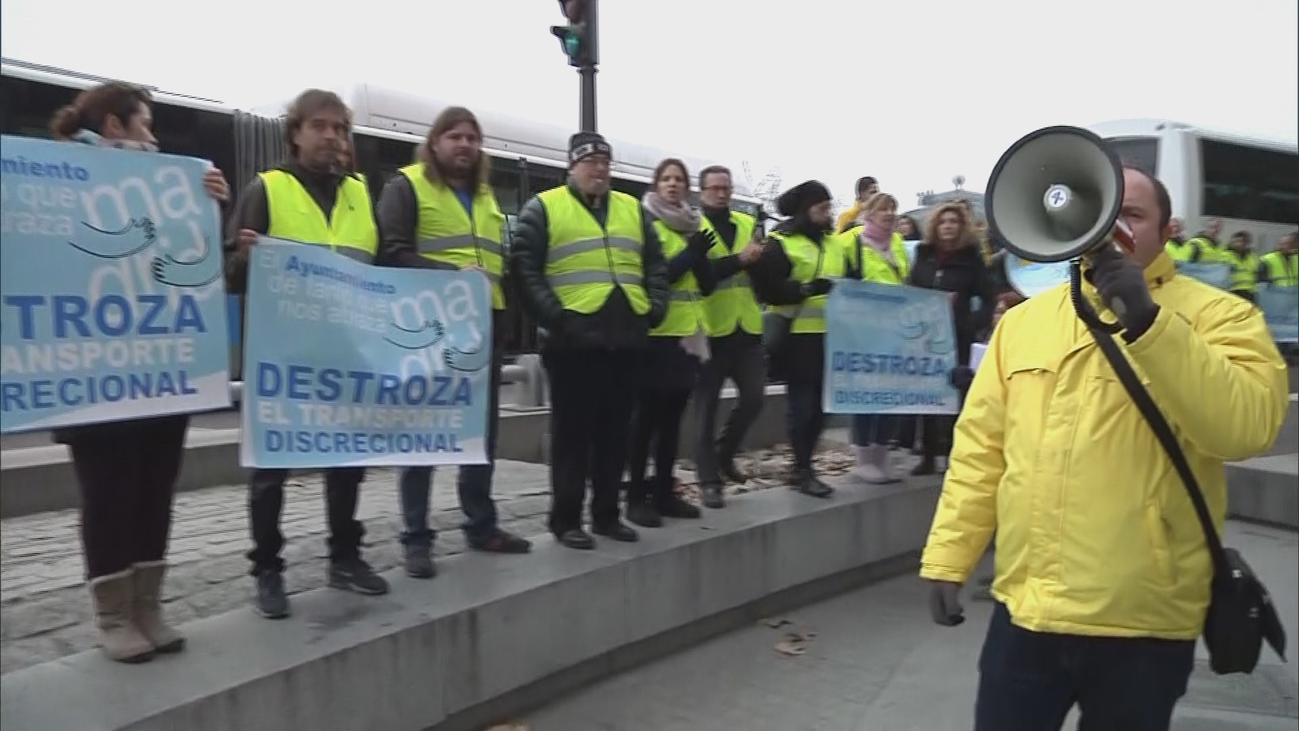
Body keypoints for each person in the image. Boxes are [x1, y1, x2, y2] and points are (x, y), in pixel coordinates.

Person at [920, 166, 1289, 729]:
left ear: (1168, 232)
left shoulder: (1225, 317)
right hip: (1027, 612)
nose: (1114, 227)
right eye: (1103, 212)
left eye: (1134, 215)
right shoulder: (1022, 324)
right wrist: (950, 557)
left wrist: (1150, 323)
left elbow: (1245, 428)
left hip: (1145, 622)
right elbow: (980, 453)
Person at [46, 82, 231, 663]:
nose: (153, 137)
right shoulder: (57, 176)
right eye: (145, 124)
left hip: (160, 367)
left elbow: (184, 262)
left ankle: (148, 605)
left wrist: (209, 207)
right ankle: (114, 616)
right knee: (108, 494)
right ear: (113, 127)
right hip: (96, 372)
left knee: (154, 488)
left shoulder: (165, 189)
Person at [224, 89, 389, 619]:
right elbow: (230, 276)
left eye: (341, 128)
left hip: (345, 356)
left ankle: (345, 556)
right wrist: (247, 259)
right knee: (271, 469)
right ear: (295, 133)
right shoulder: (266, 191)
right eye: (321, 126)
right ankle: (268, 570)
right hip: (283, 360)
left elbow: (377, 275)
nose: (333, 137)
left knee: (347, 464)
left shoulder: (362, 195)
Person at [374, 106, 532, 579]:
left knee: (480, 438)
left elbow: (498, 265)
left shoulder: (485, 197)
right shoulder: (407, 186)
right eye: (454, 136)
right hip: (428, 331)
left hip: (483, 331)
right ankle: (416, 539)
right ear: (435, 142)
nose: (464, 145)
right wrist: (450, 277)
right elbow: (390, 252)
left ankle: (481, 526)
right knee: (423, 435)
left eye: (472, 138)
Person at [509, 131, 671, 549]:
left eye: (605, 162)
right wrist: (557, 318)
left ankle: (605, 515)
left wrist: (654, 308)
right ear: (572, 166)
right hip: (572, 343)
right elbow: (525, 270)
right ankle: (565, 520)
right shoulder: (543, 207)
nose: (599, 169)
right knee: (572, 437)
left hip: (625, 338)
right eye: (589, 161)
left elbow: (655, 264)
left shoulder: (633, 210)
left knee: (615, 434)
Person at [625, 159, 717, 527]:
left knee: (672, 422)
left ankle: (665, 491)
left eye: (679, 180)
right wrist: (690, 255)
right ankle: (635, 496)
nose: (673, 185)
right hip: (658, 336)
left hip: (689, 337)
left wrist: (701, 258)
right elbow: (656, 277)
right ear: (656, 185)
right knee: (644, 422)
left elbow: (707, 285)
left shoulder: (693, 225)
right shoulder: (647, 224)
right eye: (666, 179)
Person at [750, 181, 843, 498]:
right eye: (821, 208)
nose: (827, 213)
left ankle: (803, 464)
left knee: (822, 410)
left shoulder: (834, 244)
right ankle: (802, 469)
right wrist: (804, 289)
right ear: (806, 210)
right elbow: (767, 290)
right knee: (801, 408)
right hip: (797, 339)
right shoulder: (780, 243)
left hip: (830, 338)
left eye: (829, 207)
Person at [692, 165, 766, 509]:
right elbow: (703, 276)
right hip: (710, 329)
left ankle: (724, 454)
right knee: (704, 410)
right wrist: (740, 260)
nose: (722, 193)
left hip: (746, 326)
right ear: (702, 190)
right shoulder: (694, 226)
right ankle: (708, 480)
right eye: (715, 188)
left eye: (726, 188)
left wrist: (763, 260)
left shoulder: (747, 224)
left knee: (754, 398)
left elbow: (759, 268)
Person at [906, 202, 997, 477]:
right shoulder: (923, 255)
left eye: (954, 222)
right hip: (925, 336)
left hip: (958, 336)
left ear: (962, 227)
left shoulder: (972, 258)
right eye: (943, 221)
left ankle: (955, 455)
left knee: (957, 396)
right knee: (927, 396)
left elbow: (989, 298)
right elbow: (910, 290)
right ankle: (929, 455)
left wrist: (974, 323)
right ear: (935, 225)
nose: (948, 226)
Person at [841, 193, 910, 483]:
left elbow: (905, 280)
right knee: (866, 395)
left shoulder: (897, 243)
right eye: (883, 209)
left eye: (893, 208)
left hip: (894, 331)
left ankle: (881, 457)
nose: (890, 214)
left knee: (890, 395)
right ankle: (863, 459)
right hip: (863, 332)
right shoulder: (850, 242)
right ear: (868, 213)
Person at [1224, 230, 1259, 303]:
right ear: (1232, 242)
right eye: (1238, 241)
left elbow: (1257, 273)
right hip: (1232, 291)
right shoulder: (1225, 255)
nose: (1240, 244)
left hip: (1250, 292)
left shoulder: (1253, 257)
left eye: (1244, 241)